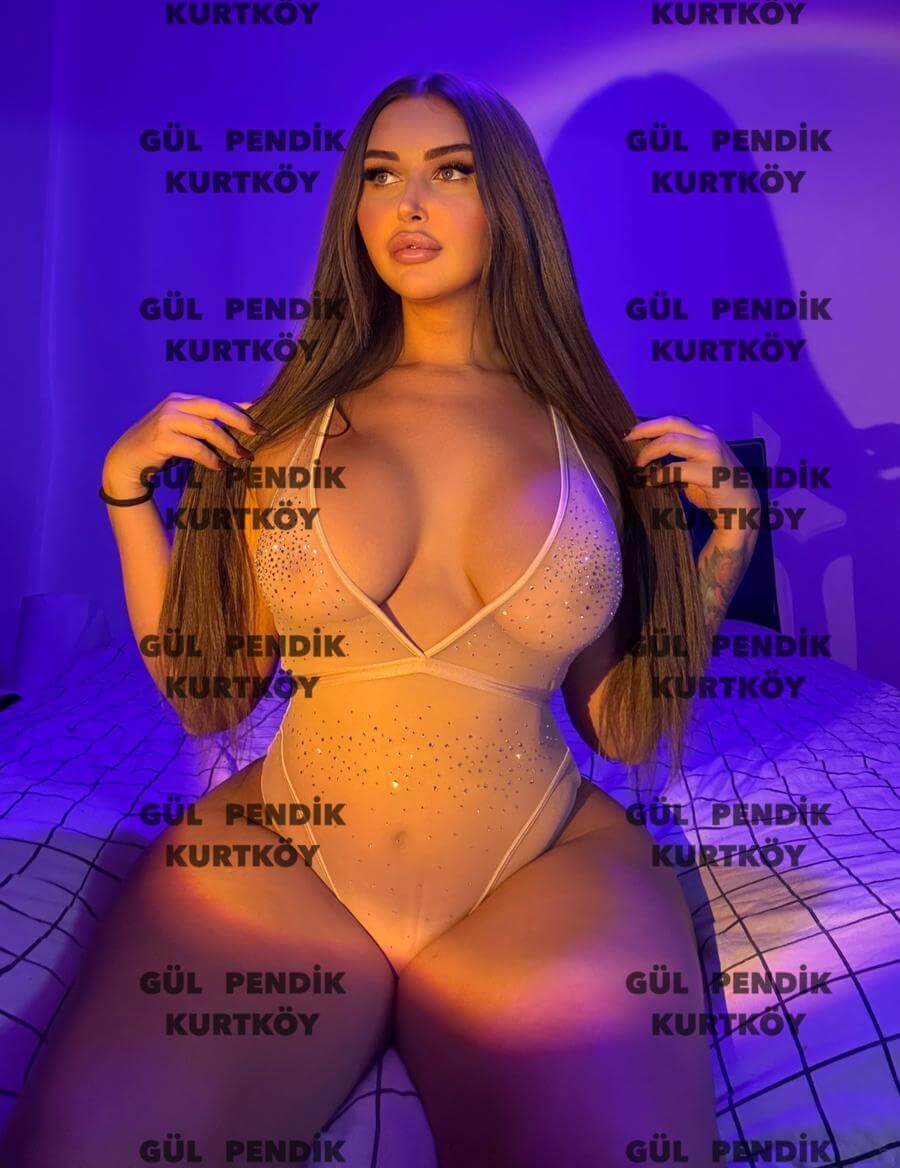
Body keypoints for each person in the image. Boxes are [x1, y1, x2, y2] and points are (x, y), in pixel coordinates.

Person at [1, 73, 759, 1168]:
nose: (408, 203)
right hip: (287, 859)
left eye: (450, 171)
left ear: (510, 201)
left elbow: (623, 726)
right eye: (379, 175)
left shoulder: (593, 440)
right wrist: (125, 494)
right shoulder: (281, 431)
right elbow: (211, 701)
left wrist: (727, 540)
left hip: (540, 863)